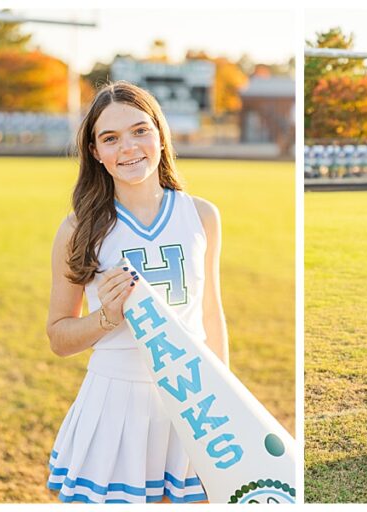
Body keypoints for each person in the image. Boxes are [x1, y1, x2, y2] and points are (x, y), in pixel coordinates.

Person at [45, 81, 228, 503]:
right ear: (95, 152)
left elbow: (211, 317)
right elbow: (58, 336)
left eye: (140, 130)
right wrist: (106, 316)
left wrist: (223, 401)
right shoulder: (78, 229)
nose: (128, 148)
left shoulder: (201, 215)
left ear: (160, 135)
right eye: (110, 138)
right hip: (114, 402)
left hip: (191, 401)